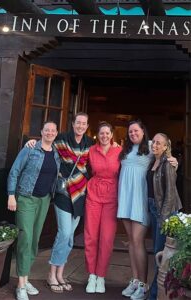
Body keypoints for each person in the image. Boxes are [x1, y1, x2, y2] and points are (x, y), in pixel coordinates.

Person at [26, 112, 94, 293]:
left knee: (70, 237)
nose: (80, 126)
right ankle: (51, 274)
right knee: (64, 233)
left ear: (87, 126)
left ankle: (60, 274)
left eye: (84, 123)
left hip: (80, 194)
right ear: (73, 124)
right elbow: (46, 142)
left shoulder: (90, 144)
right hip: (63, 193)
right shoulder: (62, 138)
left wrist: (116, 145)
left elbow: (105, 153)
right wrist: (33, 142)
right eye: (78, 122)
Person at [117, 120, 178, 300]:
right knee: (131, 241)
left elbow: (166, 155)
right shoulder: (125, 150)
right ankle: (135, 280)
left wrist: (175, 161)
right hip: (125, 199)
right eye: (130, 132)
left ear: (143, 132)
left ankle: (143, 285)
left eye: (136, 131)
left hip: (140, 200)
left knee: (138, 241)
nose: (133, 134)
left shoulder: (152, 146)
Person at [7, 121, 60, 300]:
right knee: (25, 238)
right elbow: (14, 171)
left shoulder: (56, 154)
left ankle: (25, 278)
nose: (50, 133)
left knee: (34, 240)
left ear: (56, 133)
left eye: (53, 130)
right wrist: (11, 195)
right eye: (47, 130)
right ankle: (21, 285)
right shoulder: (30, 149)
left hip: (44, 200)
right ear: (41, 131)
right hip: (26, 198)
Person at [84, 122, 122, 294]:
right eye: (101, 133)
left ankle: (101, 276)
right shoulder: (91, 150)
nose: (104, 136)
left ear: (111, 134)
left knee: (106, 239)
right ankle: (91, 274)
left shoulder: (120, 151)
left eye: (107, 133)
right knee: (91, 236)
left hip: (111, 197)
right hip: (93, 195)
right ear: (97, 135)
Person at [147, 133, 182, 300]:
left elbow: (169, 195)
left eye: (158, 143)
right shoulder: (153, 160)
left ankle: (155, 295)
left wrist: (164, 219)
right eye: (153, 142)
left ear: (166, 146)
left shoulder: (167, 164)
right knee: (157, 253)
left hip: (164, 212)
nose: (154, 145)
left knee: (160, 255)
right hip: (155, 210)